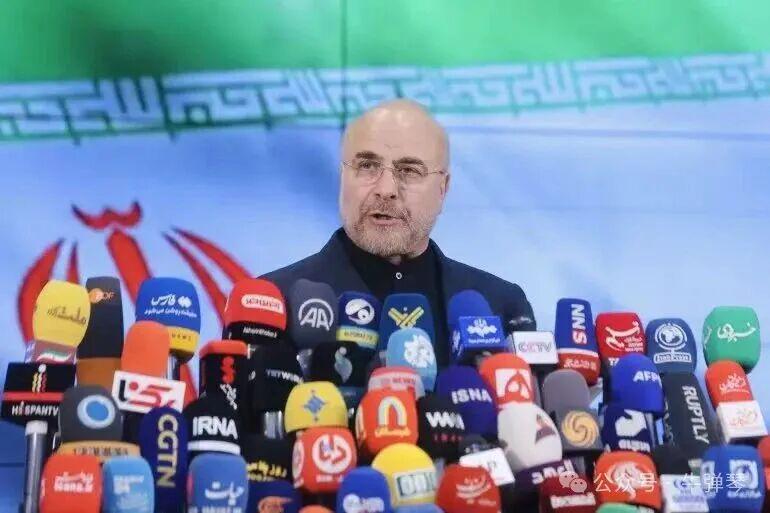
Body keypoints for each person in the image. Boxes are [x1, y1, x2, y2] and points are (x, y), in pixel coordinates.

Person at [263, 99, 534, 366]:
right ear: (342, 176)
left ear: (443, 189)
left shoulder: (501, 305)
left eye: (409, 171)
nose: (386, 189)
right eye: (367, 165)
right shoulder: (273, 303)